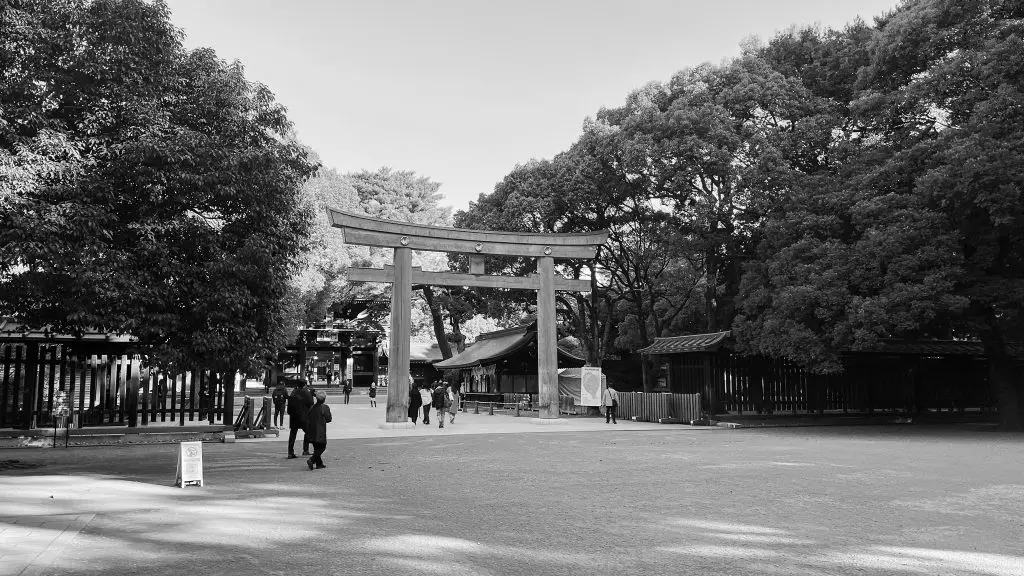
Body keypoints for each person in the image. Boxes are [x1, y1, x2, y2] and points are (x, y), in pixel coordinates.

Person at [304, 390, 332, 470]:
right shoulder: (325, 407)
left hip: (311, 430)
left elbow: (308, 417)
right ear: (324, 399)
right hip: (320, 430)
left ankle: (319, 464)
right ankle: (312, 460)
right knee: (322, 446)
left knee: (316, 447)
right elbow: (329, 419)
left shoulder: (312, 407)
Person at [287, 379, 314, 458]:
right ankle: (306, 450)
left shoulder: (293, 392)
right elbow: (311, 404)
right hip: (303, 416)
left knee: (293, 434)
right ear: (305, 385)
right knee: (308, 432)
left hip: (293, 416)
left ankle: (290, 452)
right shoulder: (306, 393)